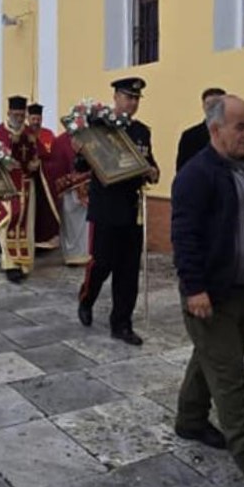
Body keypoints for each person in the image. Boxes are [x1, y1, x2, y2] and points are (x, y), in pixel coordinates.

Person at [171, 94, 244, 487]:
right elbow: (184, 237)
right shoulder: (196, 175)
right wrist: (194, 288)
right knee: (230, 377)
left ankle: (189, 419)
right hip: (211, 295)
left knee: (214, 359)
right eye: (240, 126)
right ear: (215, 129)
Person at [77, 77, 159, 345]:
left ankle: (122, 323)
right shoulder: (99, 127)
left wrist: (152, 172)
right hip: (105, 207)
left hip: (131, 209)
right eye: (128, 97)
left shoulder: (142, 132)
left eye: (136, 99)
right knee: (102, 263)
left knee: (128, 269)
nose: (132, 103)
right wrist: (79, 150)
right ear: (115, 97)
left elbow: (151, 167)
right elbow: (81, 166)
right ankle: (87, 298)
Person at [0, 95, 39, 283]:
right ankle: (10, 264)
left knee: (26, 225)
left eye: (22, 115)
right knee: (7, 224)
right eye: (16, 114)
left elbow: (36, 155)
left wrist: (36, 164)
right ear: (8, 112)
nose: (19, 118)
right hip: (6, 186)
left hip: (26, 185)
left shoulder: (29, 134)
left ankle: (24, 263)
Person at [45, 131, 91, 266]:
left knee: (86, 225)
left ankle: (87, 254)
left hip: (89, 189)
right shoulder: (60, 142)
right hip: (68, 192)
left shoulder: (91, 136)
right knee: (70, 224)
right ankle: (72, 256)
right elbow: (56, 168)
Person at [27, 103, 60, 250]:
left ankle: (46, 237)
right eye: (33, 118)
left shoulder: (48, 134)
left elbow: (53, 156)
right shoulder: (24, 134)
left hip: (46, 178)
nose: (35, 121)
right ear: (28, 118)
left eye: (38, 118)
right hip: (29, 178)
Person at [176, 87, 226, 173]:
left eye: (218, 104)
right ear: (203, 106)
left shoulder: (236, 133)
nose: (213, 108)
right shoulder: (190, 136)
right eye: (209, 104)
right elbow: (182, 170)